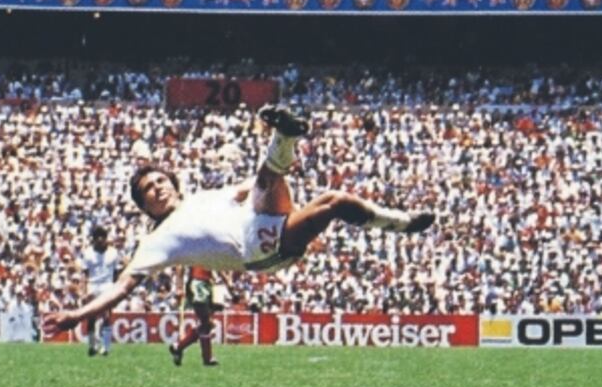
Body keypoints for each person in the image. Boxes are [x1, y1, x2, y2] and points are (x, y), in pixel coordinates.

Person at [43, 104, 434, 336]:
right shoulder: (155, 241)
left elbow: (254, 185)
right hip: (258, 251)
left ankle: (403, 224)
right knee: (314, 197)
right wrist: (77, 316)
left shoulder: (202, 198)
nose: (158, 189)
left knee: (334, 198)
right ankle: (283, 137)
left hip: (263, 220)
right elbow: (121, 289)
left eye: (161, 181)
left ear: (174, 184)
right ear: (145, 207)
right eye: (149, 190)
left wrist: (280, 170)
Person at [79, 225, 122, 356]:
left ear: (105, 238)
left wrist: (116, 289)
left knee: (106, 315)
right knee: (91, 317)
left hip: (107, 286)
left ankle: (106, 347)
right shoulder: (88, 253)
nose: (99, 240)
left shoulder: (113, 253)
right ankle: (92, 345)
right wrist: (84, 291)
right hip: (93, 285)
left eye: (102, 237)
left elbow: (116, 273)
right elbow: (84, 274)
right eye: (96, 238)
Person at [170, 266, 224, 367]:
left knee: (206, 324)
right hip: (197, 284)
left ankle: (178, 347)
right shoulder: (192, 250)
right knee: (206, 321)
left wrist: (226, 281)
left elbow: (217, 263)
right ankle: (207, 358)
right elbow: (180, 266)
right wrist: (179, 287)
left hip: (211, 284)